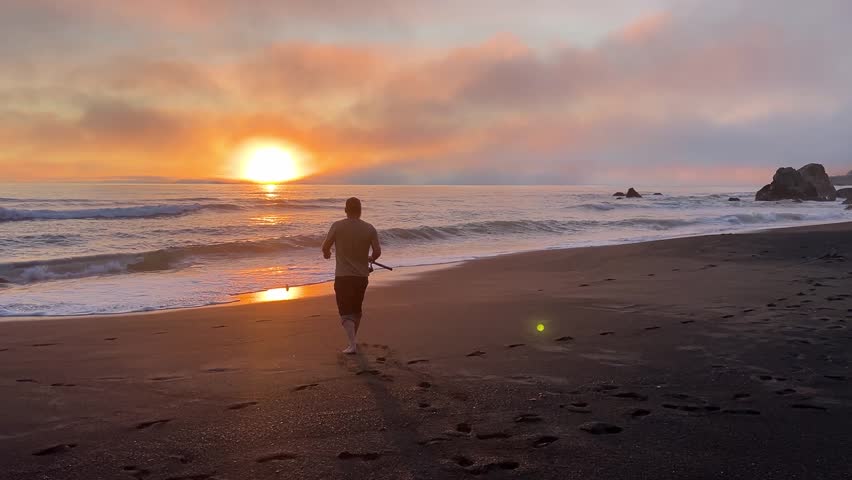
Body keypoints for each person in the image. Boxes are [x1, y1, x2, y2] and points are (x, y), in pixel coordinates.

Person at [321, 197, 381, 354]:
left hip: (343, 276)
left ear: (346, 210)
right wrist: (371, 258)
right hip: (361, 277)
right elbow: (377, 252)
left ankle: (352, 344)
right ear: (360, 211)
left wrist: (327, 253)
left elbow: (325, 246)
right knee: (356, 311)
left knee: (345, 312)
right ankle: (353, 341)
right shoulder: (369, 228)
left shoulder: (337, 226)